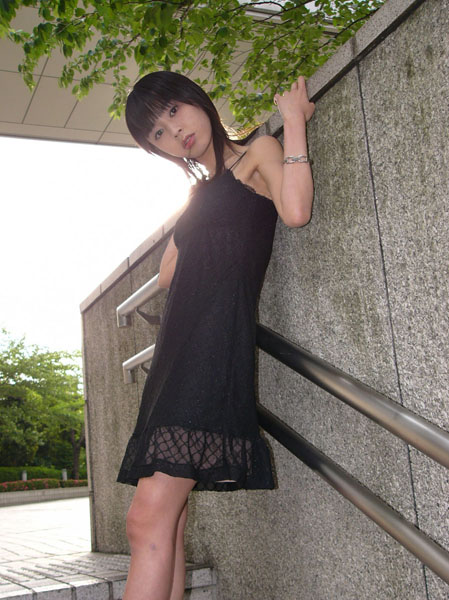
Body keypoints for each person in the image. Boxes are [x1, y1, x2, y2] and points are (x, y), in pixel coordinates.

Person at [117, 71, 315, 600]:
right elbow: (167, 274)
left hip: (211, 349)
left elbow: (296, 211)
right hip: (176, 354)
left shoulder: (256, 154)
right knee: (167, 521)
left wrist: (293, 121)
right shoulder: (199, 193)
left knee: (147, 518)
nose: (174, 132)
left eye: (174, 111)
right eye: (158, 134)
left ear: (195, 99)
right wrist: (196, 214)